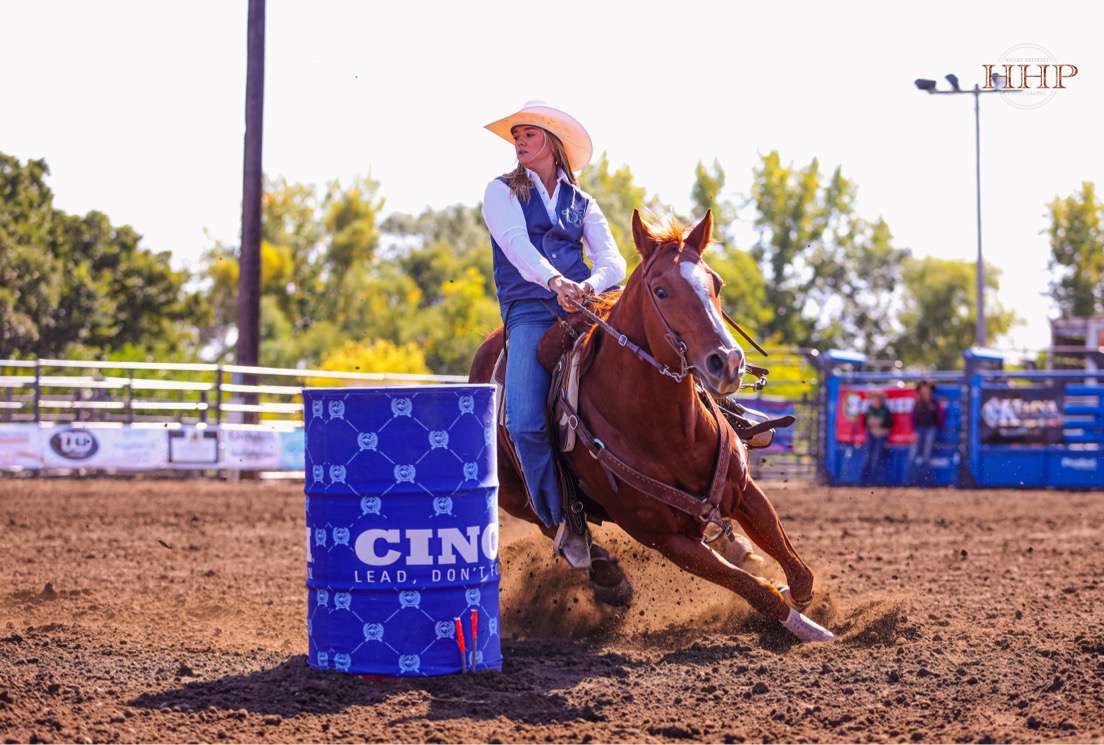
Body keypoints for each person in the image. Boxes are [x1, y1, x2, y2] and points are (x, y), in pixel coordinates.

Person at [480, 101, 626, 568]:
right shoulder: (500, 192)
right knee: (522, 420)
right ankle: (561, 519)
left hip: (586, 306)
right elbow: (516, 246)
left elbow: (614, 261)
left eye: (529, 134)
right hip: (531, 311)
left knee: (649, 350)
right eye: (517, 135)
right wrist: (556, 282)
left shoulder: (584, 203)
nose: (519, 142)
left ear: (553, 145)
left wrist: (589, 285)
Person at [909, 380, 943, 484]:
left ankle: (924, 481)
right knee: (913, 455)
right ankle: (910, 480)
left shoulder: (934, 403)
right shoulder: (918, 403)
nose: (925, 391)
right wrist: (913, 431)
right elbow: (913, 418)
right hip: (919, 429)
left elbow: (940, 417)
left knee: (926, 455)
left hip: (931, 429)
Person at [860, 390, 893, 485]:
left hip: (881, 436)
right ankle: (864, 480)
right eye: (874, 399)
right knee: (868, 457)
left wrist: (880, 427)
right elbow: (864, 423)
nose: (876, 401)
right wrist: (873, 426)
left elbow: (889, 424)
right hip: (871, 435)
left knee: (876, 457)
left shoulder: (886, 411)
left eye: (878, 399)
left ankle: (873, 480)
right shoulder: (869, 410)